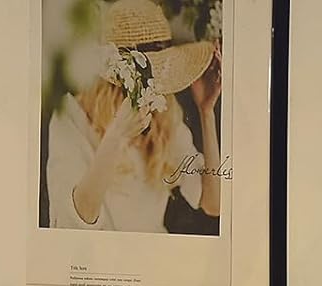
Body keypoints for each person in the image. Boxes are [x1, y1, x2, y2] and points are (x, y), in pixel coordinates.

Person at [45, 0, 223, 235]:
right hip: (98, 255)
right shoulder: (72, 115)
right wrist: (117, 134)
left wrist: (206, 112)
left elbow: (213, 203)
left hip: (153, 252)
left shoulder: (164, 114)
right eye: (151, 72)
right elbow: (75, 218)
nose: (155, 83)